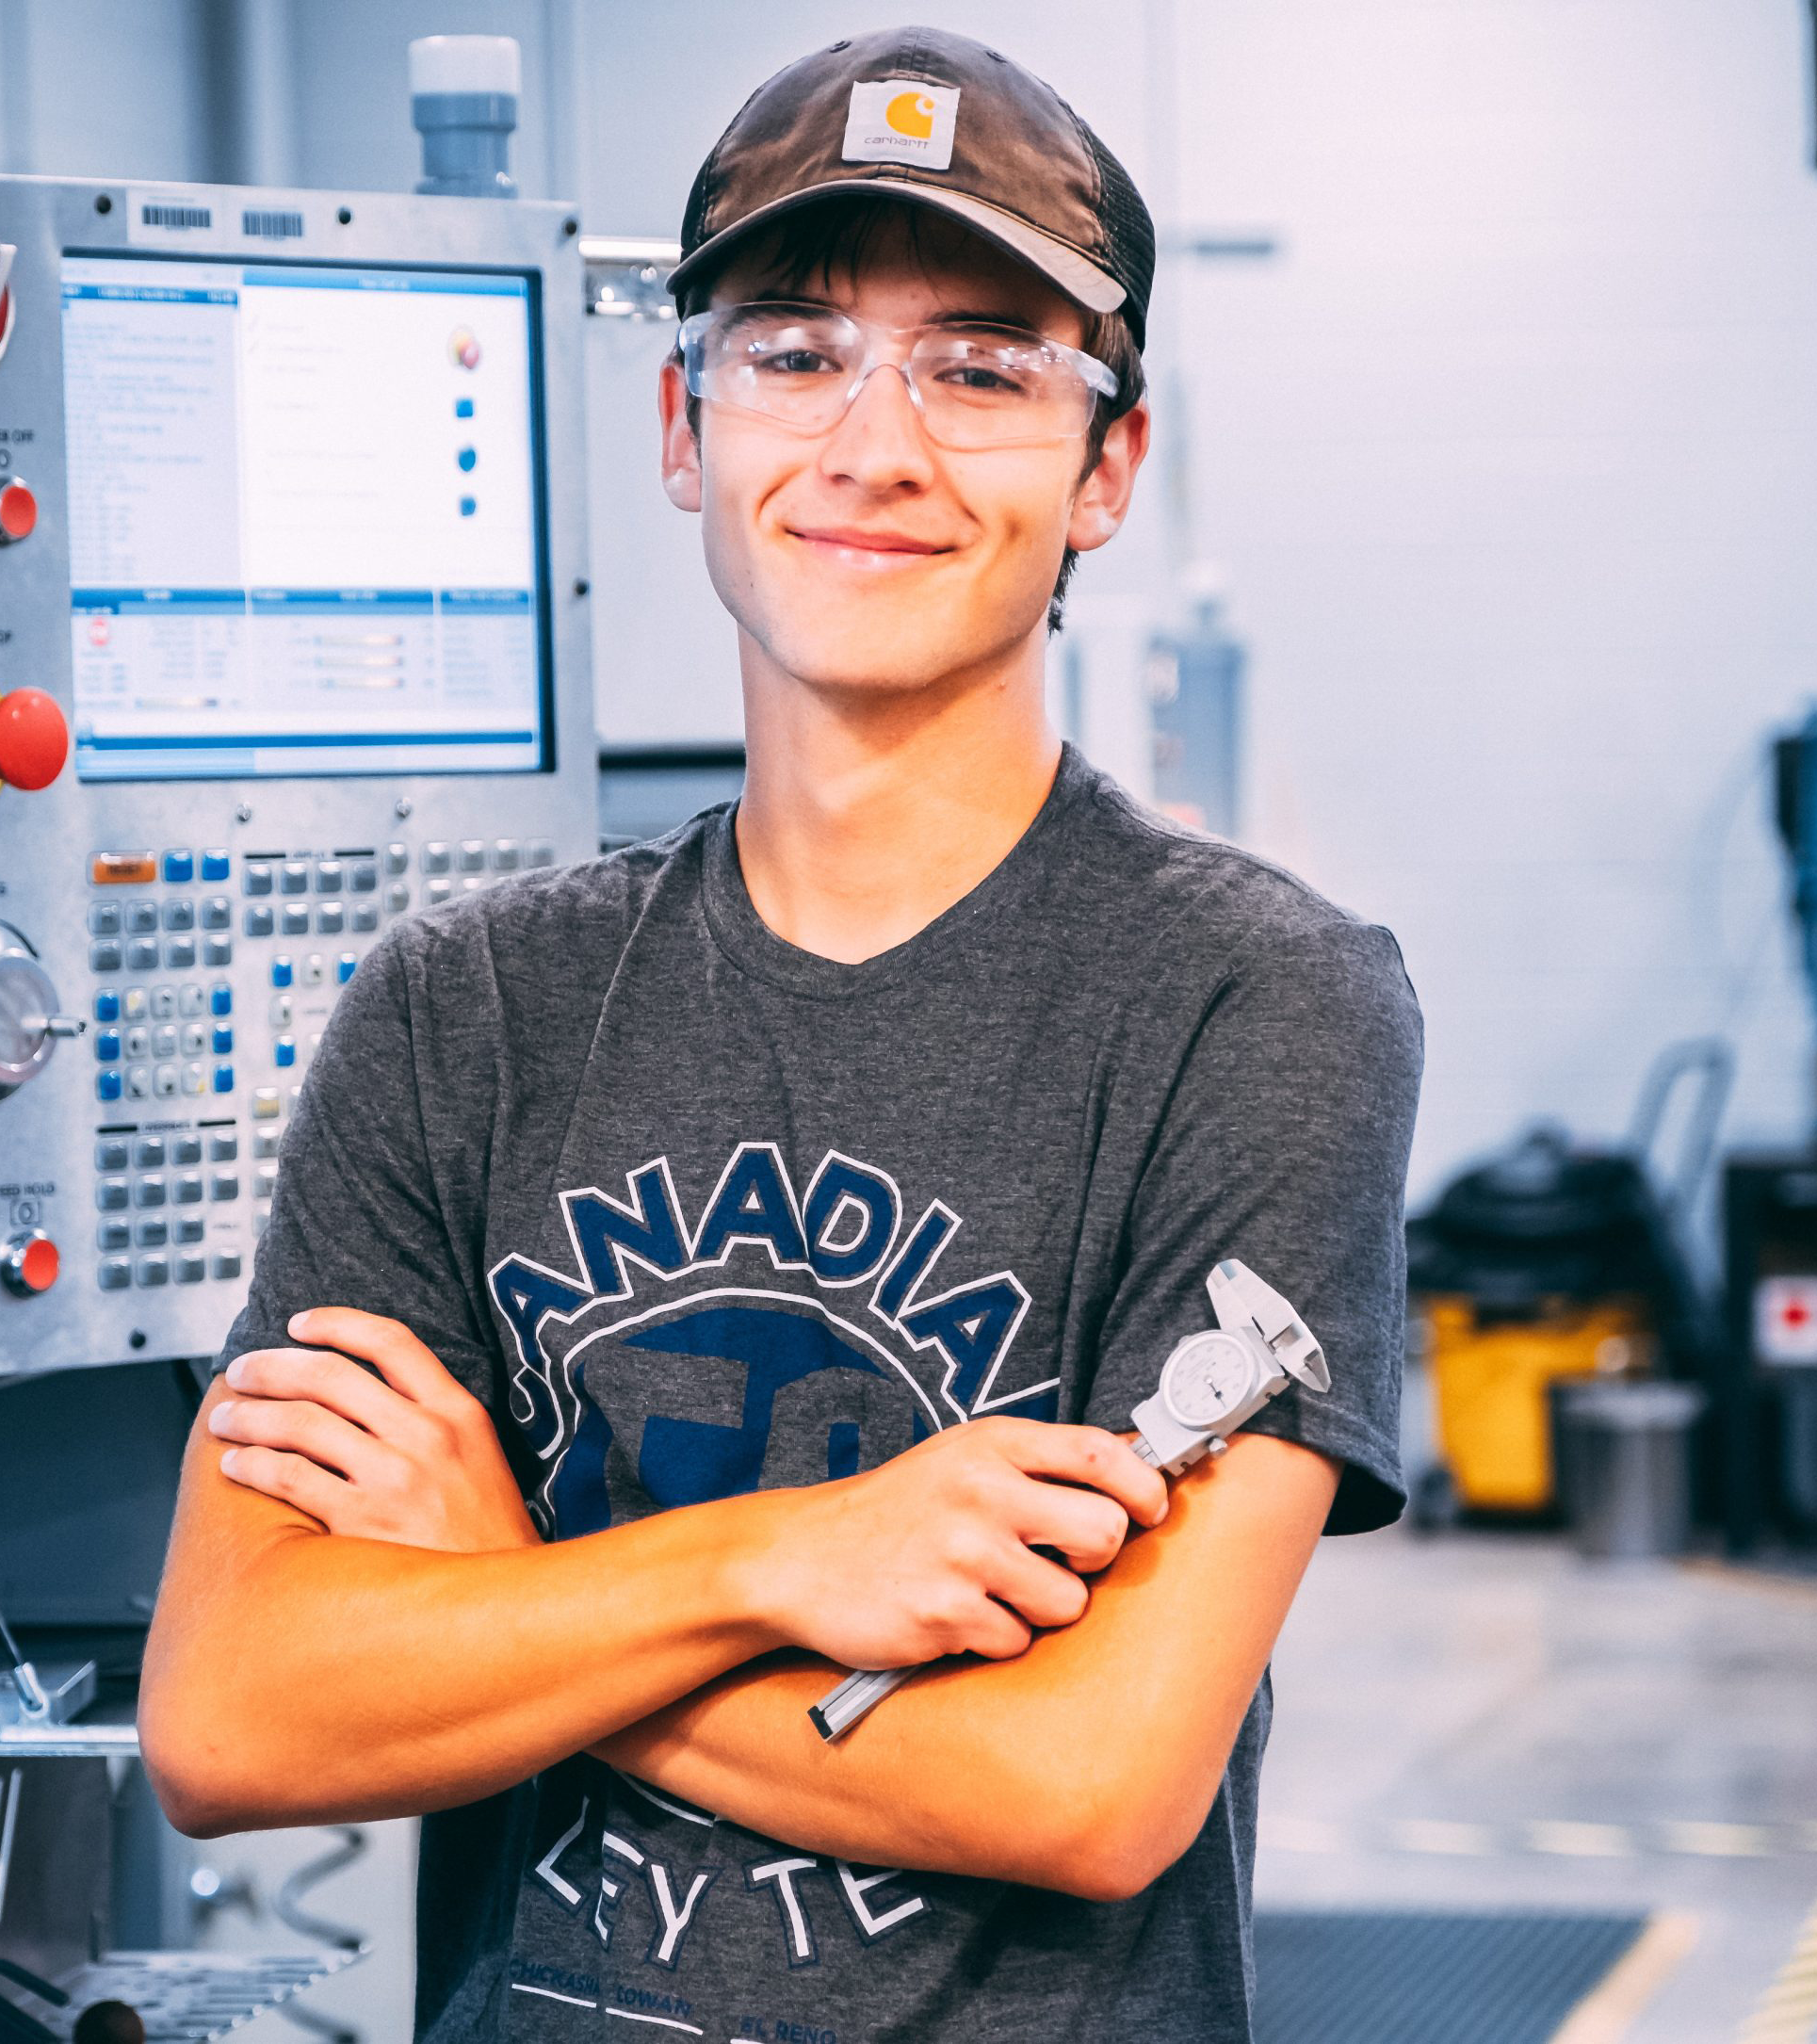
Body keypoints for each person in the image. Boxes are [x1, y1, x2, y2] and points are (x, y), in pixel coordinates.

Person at [141, 26, 1422, 2040]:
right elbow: (232, 1715)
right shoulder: (463, 1006)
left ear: (1110, 464)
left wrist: (501, 1580)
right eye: (793, 350)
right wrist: (780, 1561)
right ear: (681, 425)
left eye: (981, 365)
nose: (871, 444)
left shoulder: (1252, 1000)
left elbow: (1091, 1785)